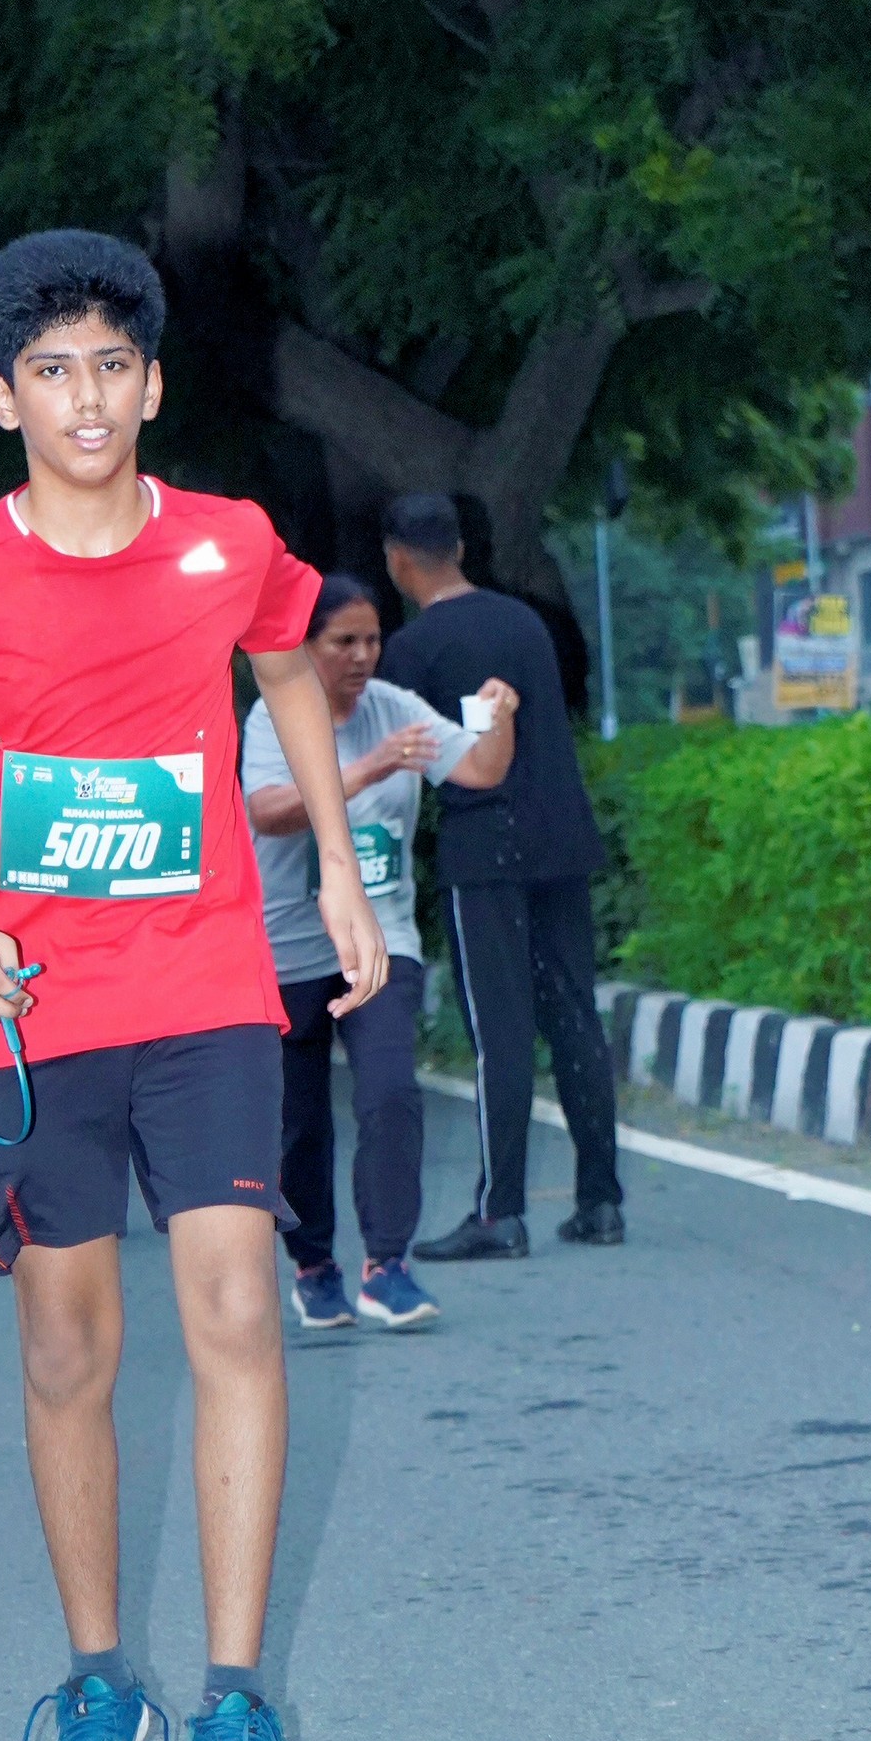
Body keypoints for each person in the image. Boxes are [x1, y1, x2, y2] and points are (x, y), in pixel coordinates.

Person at [0, 229, 385, 1741]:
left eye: (113, 367)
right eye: (52, 371)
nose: (86, 397)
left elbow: (289, 671)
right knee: (70, 1348)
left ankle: (236, 1704)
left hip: (205, 988)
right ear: (2, 398)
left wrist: (337, 870)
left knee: (238, 1309)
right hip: (37, 1017)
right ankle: (97, 1684)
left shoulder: (229, 542)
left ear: (152, 384)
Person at [244, 570, 516, 1337]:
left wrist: (499, 717)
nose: (363, 656)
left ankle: (386, 1265)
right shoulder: (272, 717)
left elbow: (481, 769)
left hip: (381, 936)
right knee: (299, 1126)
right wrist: (369, 768)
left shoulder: (396, 709)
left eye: (372, 640)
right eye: (344, 641)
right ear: (305, 646)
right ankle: (313, 1267)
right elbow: (267, 812)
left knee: (391, 1093)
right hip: (288, 946)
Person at [379, 493, 624, 1257]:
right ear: (459, 547)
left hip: (484, 850)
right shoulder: (525, 622)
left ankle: (500, 1212)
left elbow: (411, 766)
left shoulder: (412, 651)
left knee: (501, 1031)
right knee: (575, 1016)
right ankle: (601, 1201)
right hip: (562, 838)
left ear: (397, 560)